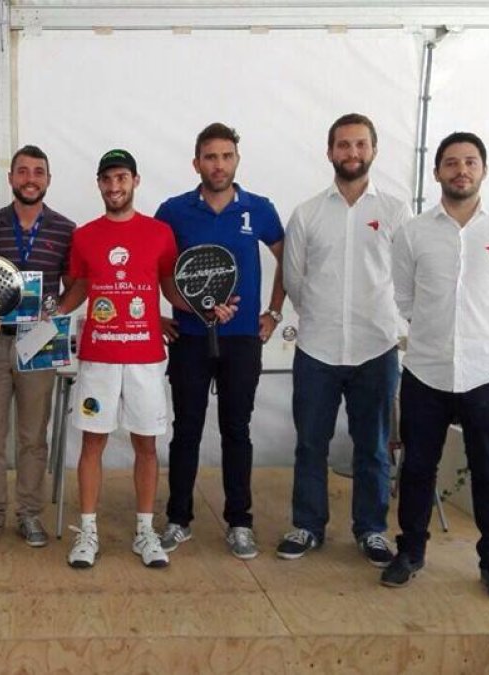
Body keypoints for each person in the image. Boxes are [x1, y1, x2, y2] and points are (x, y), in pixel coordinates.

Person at [57, 149, 226, 569]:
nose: (115, 187)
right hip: (98, 357)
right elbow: (78, 289)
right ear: (98, 184)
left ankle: (145, 531)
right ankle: (89, 532)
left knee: (146, 445)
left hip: (146, 358)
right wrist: (52, 313)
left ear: (135, 181)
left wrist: (205, 307)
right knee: (92, 443)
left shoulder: (159, 233)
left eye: (122, 178)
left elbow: (170, 289)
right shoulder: (84, 235)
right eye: (107, 179)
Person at [382, 131, 489, 602]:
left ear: (483, 170)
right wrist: (438, 331)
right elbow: (403, 297)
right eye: (451, 163)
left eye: (469, 162)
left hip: (487, 373)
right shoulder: (413, 233)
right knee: (418, 467)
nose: (460, 170)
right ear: (437, 172)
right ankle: (411, 552)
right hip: (427, 370)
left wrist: (481, 330)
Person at [276, 114, 413, 566]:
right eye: (343, 145)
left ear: (373, 150)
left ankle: (371, 530)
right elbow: (294, 280)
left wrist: (390, 323)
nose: (351, 153)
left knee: (372, 446)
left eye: (359, 145)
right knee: (310, 443)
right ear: (329, 151)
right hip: (317, 348)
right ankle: (307, 525)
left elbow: (408, 279)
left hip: (376, 348)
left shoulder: (396, 213)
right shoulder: (307, 213)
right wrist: (321, 316)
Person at [154, 123, 285, 560]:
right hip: (190, 338)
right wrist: (181, 310)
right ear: (196, 163)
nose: (219, 164)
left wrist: (273, 312)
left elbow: (289, 259)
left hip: (242, 340)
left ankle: (240, 523)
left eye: (226, 156)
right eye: (210, 156)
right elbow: (156, 270)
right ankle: (178, 519)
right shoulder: (173, 211)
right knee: (185, 431)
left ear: (236, 161)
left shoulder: (259, 210)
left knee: (237, 431)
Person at [0, 145, 76, 547]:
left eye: (38, 172)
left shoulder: (66, 229)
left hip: (41, 342)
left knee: (34, 435)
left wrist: (58, 313)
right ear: (11, 178)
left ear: (48, 179)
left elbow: (77, 282)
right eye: (22, 171)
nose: (30, 178)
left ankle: (30, 513)